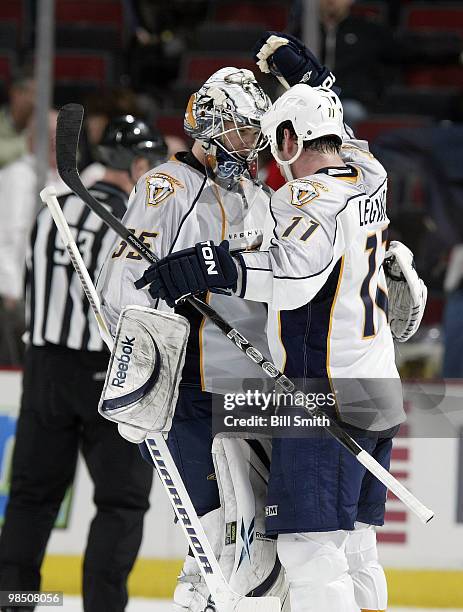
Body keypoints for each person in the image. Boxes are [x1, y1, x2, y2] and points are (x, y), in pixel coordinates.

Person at [140, 36, 427, 612]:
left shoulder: (305, 197)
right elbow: (340, 137)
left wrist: (207, 264)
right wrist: (316, 86)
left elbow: (291, 275)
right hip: (377, 383)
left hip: (326, 394)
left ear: (293, 140)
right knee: (356, 549)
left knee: (308, 551)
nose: (269, 159)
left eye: (274, 143)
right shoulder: (369, 178)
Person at [97, 67, 289, 610]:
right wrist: (147, 356)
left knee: (246, 537)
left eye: (257, 134)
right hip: (187, 389)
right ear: (212, 126)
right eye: (244, 132)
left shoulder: (254, 194)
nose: (254, 146)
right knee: (213, 533)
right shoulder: (168, 187)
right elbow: (123, 290)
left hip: (243, 385)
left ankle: (201, 594)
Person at [0, 116, 168, 612]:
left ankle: (15, 603)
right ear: (138, 165)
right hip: (110, 376)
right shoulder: (131, 222)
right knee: (121, 503)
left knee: (32, 499)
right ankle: (102, 607)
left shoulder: (53, 206)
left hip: (45, 371)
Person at [0, 68, 35, 169]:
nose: (38, 101)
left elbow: (72, 156)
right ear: (16, 93)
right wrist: (31, 144)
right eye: (34, 93)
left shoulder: (48, 123)